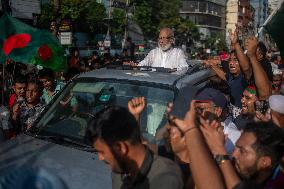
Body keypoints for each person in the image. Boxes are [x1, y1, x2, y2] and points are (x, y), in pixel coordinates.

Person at [86, 106, 184, 189]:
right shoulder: (119, 171)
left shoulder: (165, 177)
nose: (100, 158)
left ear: (120, 148)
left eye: (102, 152)